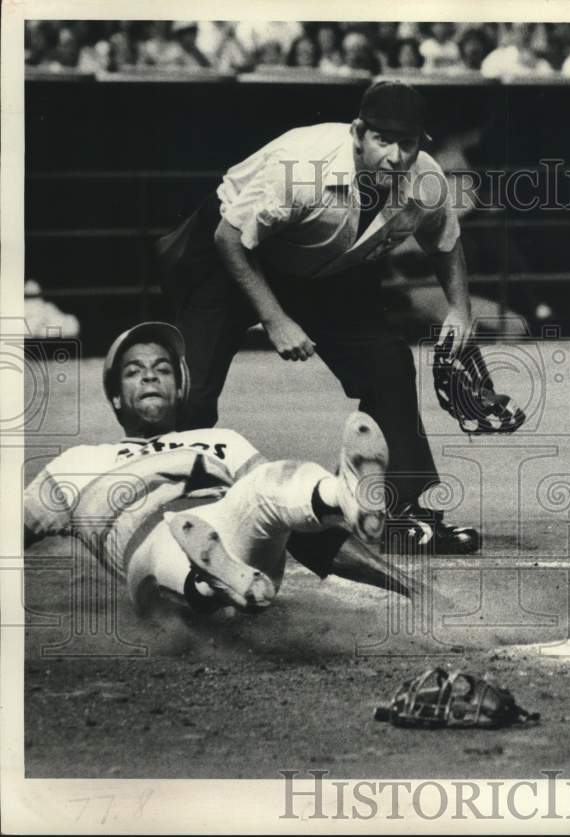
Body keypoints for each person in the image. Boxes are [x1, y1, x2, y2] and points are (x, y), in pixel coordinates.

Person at [155, 81, 479, 554]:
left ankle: (393, 513)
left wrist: (460, 310)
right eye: (382, 140)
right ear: (358, 133)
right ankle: (178, 512)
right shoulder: (302, 167)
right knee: (195, 386)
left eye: (406, 143)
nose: (394, 155)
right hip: (229, 257)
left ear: (420, 144)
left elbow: (445, 241)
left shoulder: (424, 178)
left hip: (326, 268)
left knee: (388, 366)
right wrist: (276, 319)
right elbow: (231, 239)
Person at [22, 322, 417, 617]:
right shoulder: (76, 464)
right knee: (166, 540)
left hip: (238, 545)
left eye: (162, 368)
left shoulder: (223, 441)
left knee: (267, 483)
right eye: (133, 371)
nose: (149, 375)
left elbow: (307, 540)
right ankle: (211, 583)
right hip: (148, 555)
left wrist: (404, 585)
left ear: (179, 389)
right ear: (115, 397)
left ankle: (345, 495)